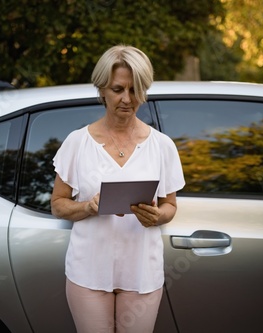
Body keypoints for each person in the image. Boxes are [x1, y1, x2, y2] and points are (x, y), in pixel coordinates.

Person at [51, 45, 185, 333]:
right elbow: (58, 204)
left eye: (135, 90)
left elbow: (170, 205)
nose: (127, 99)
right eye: (118, 89)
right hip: (88, 271)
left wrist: (157, 216)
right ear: (101, 89)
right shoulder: (77, 142)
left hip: (142, 272)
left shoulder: (162, 146)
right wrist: (87, 206)